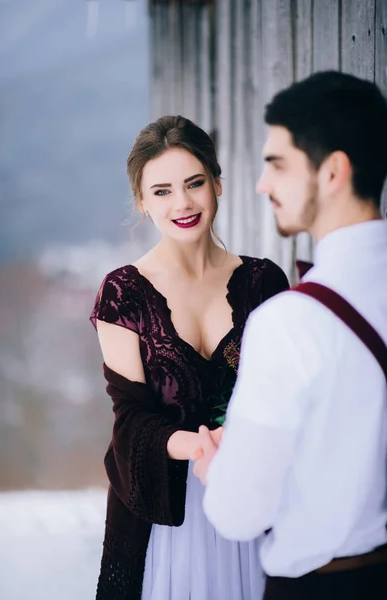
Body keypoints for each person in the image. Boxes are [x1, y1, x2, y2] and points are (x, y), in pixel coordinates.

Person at [193, 70, 387, 599]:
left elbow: (239, 513)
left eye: (277, 164)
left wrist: (219, 470)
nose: (260, 184)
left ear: (332, 173)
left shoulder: (289, 322)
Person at [89, 115, 290, 600]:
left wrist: (239, 440)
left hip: (252, 501)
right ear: (141, 200)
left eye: (194, 183)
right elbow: (130, 421)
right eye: (161, 191)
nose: (181, 203)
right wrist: (200, 446)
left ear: (217, 183)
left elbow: (287, 398)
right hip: (163, 515)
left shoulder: (265, 283)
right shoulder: (123, 293)